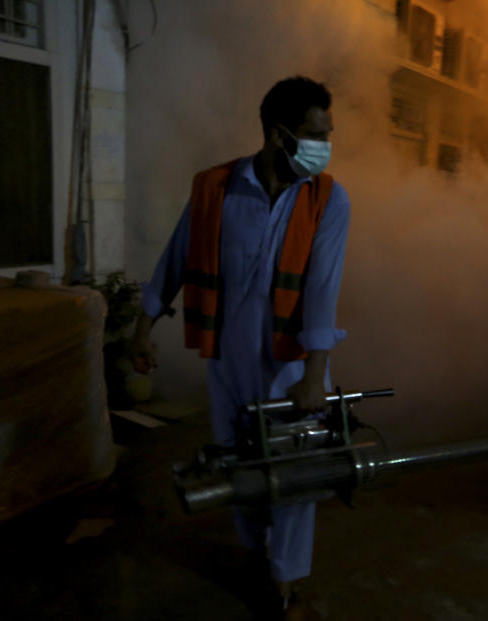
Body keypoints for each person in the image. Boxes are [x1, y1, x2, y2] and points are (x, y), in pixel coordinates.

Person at [129, 76, 349, 617]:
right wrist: (142, 328)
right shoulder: (216, 188)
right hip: (226, 362)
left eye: (328, 135)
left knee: (295, 477)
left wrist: (314, 376)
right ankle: (255, 554)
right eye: (314, 135)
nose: (325, 147)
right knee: (239, 467)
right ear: (279, 135)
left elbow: (323, 289)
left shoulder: (328, 198)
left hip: (290, 365)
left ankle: (285, 583)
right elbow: (176, 257)